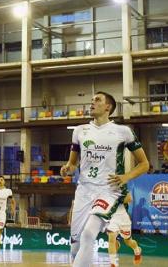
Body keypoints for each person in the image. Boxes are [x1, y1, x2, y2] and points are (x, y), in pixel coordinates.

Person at [60, 91, 149, 267]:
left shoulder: (123, 132)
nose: (92, 102)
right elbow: (72, 164)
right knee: (75, 246)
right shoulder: (79, 131)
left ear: (108, 107)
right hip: (84, 190)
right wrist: (67, 169)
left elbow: (144, 164)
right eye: (91, 100)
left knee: (88, 234)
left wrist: (126, 177)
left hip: (108, 191)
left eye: (97, 100)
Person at [106, 193, 142, 267]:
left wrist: (117, 199)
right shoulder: (103, 189)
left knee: (128, 241)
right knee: (111, 240)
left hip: (124, 219)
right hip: (112, 219)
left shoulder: (121, 187)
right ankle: (113, 263)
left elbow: (129, 199)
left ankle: (137, 251)